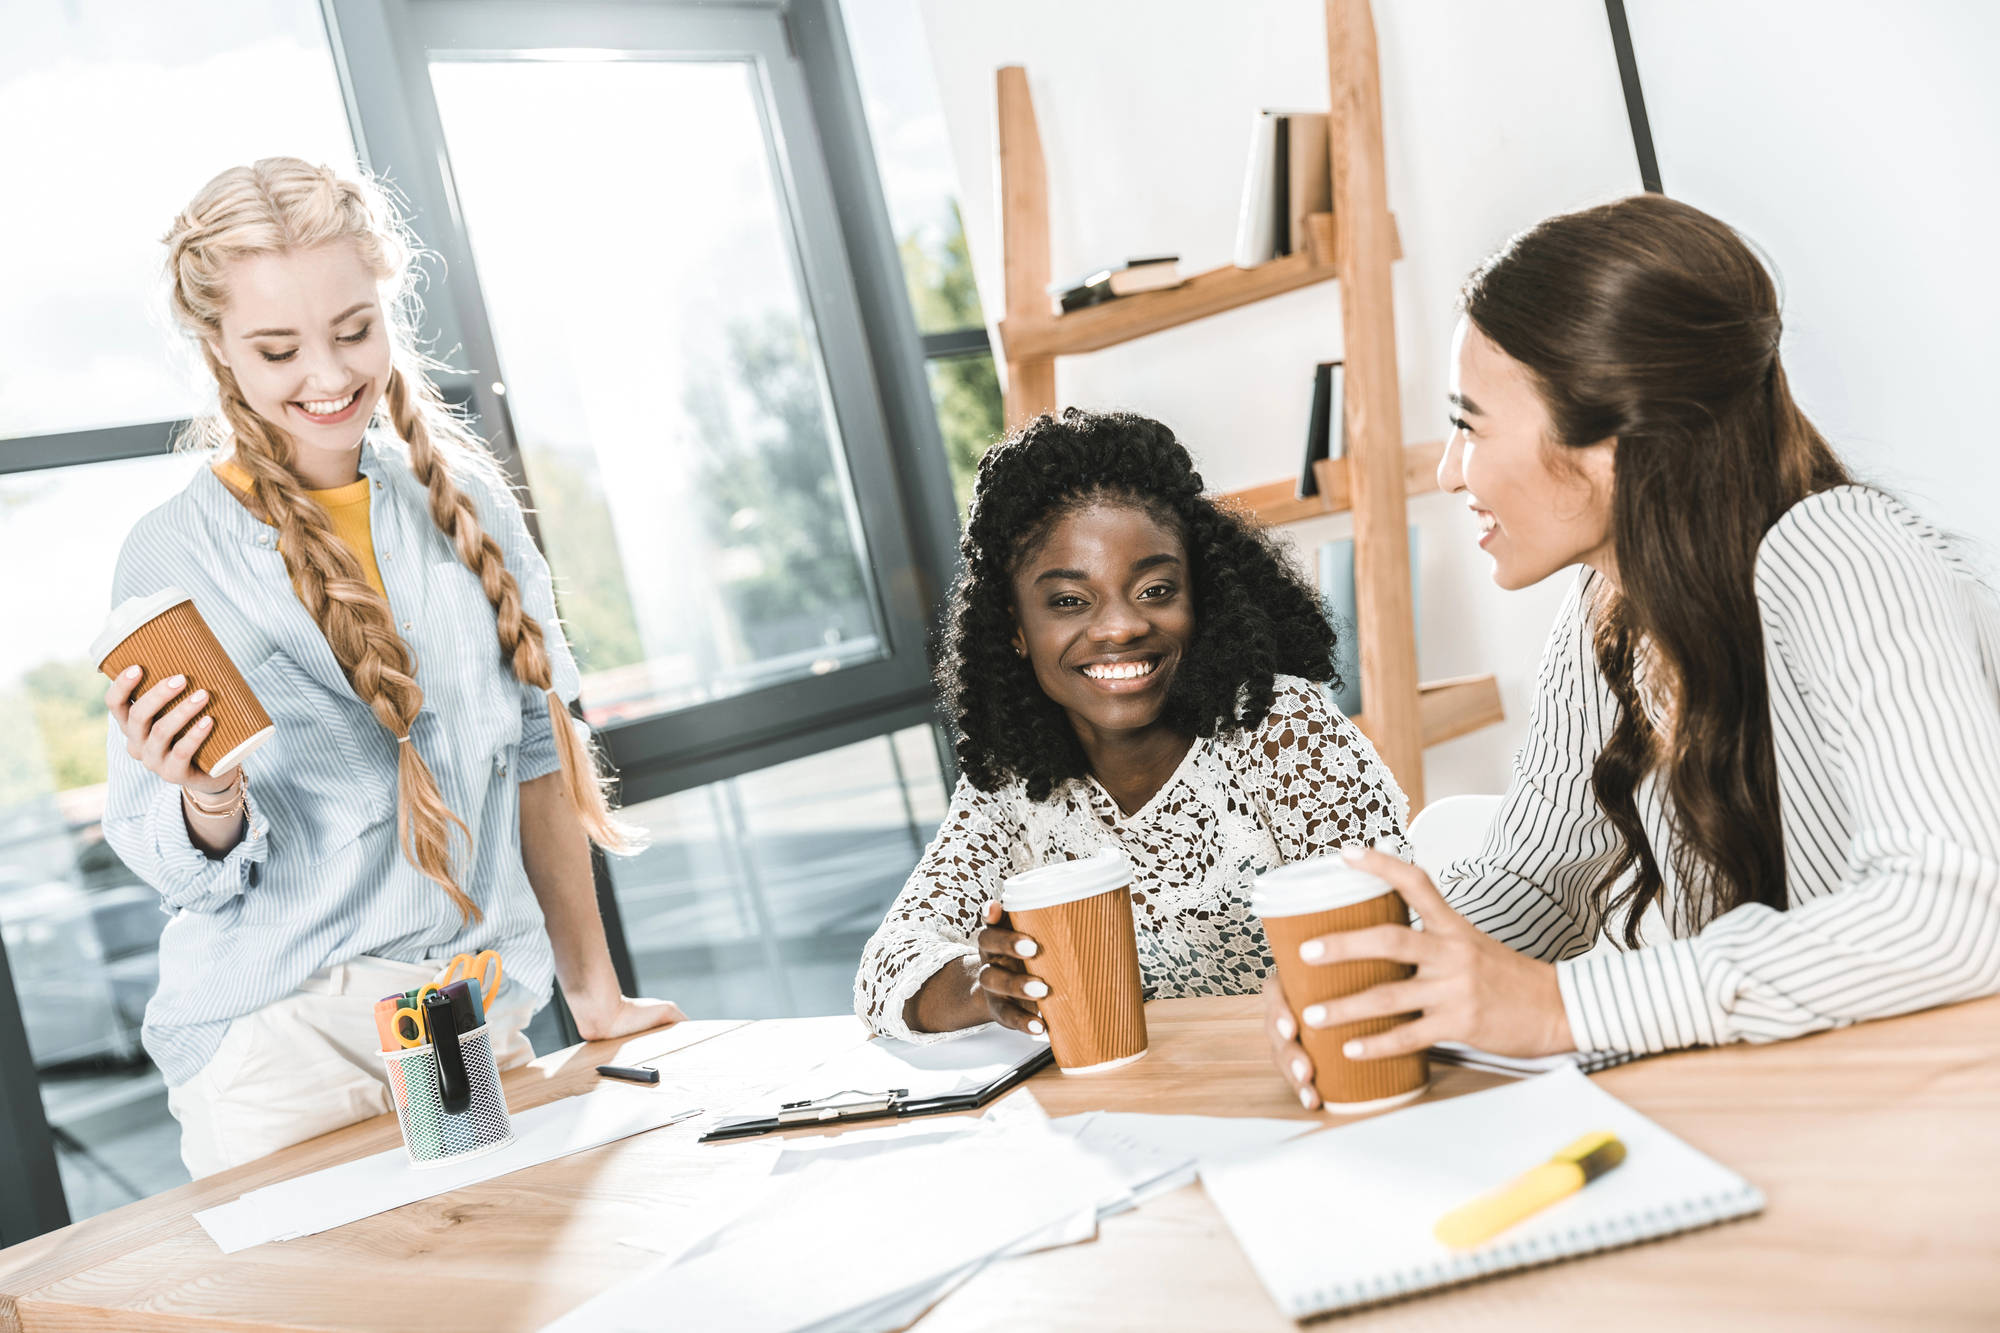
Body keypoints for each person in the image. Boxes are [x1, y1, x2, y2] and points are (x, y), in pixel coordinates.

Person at [1268, 194, 2000, 1106]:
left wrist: (1559, 1005)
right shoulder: (1610, 603)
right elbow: (1541, 880)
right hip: (1789, 1102)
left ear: (1610, 442)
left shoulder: (1843, 552)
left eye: (1469, 423)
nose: (1452, 470)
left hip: (1931, 1114)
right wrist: (1398, 986)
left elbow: (1958, 911)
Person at [103, 158, 682, 1175]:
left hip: (468, 1012)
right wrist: (204, 799)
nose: (327, 378)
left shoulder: (469, 504)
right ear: (218, 350)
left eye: (353, 331)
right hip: (277, 1047)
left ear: (388, 310)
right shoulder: (170, 553)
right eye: (278, 349)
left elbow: (541, 757)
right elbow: (171, 860)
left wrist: (595, 991)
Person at [855, 409, 1409, 1045]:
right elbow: (887, 966)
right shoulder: (1013, 786)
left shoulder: (1280, 731)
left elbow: (1385, 948)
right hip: (1127, 1114)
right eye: (1069, 601)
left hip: (1305, 1084)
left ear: (1198, 596)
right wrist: (986, 983)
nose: (1121, 627)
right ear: (1013, 627)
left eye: (1154, 590)